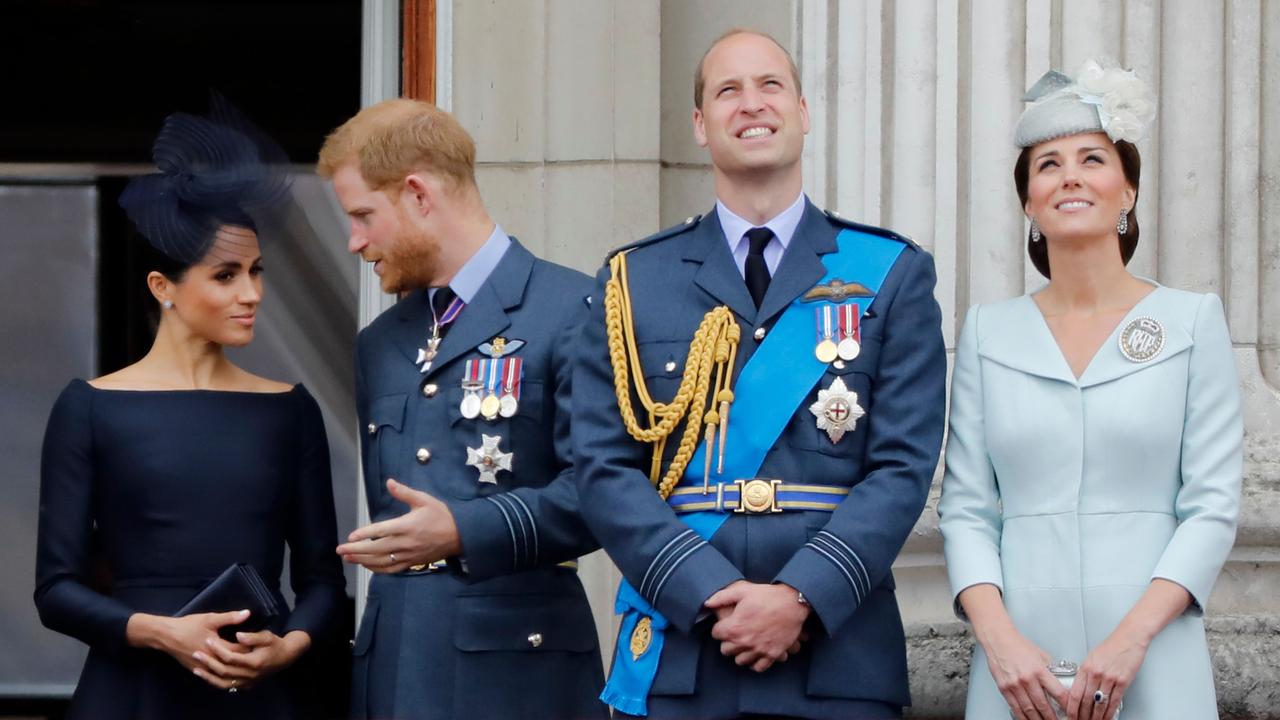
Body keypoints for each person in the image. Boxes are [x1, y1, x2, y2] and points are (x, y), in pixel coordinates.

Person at [572, 29, 946, 719]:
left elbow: (902, 468)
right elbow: (601, 467)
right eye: (728, 90)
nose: (752, 104)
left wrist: (801, 595)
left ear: (802, 110)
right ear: (700, 125)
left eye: (770, 85)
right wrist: (708, 592)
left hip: (838, 655)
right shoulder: (633, 281)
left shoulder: (890, 274)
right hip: (685, 651)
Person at [938, 60, 1242, 720]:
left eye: (1092, 158)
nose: (1069, 175)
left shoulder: (1190, 321)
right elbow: (966, 510)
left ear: (1128, 191)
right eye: (1047, 164)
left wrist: (1132, 642)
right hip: (1019, 664)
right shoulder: (989, 333)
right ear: (1029, 203)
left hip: (1152, 651)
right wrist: (1002, 645)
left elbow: (1212, 504)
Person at [33, 102, 347, 720]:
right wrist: (159, 631)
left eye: (257, 272)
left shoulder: (289, 411)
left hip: (258, 693)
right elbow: (55, 591)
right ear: (163, 288)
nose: (252, 293)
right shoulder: (90, 408)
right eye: (226, 275)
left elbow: (322, 584)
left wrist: (288, 646)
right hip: (133, 694)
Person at [317, 98, 606, 720]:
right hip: (393, 664)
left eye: (364, 215)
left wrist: (462, 531)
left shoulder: (575, 309)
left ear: (419, 194)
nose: (354, 241)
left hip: (517, 672)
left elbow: (605, 493)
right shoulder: (381, 342)